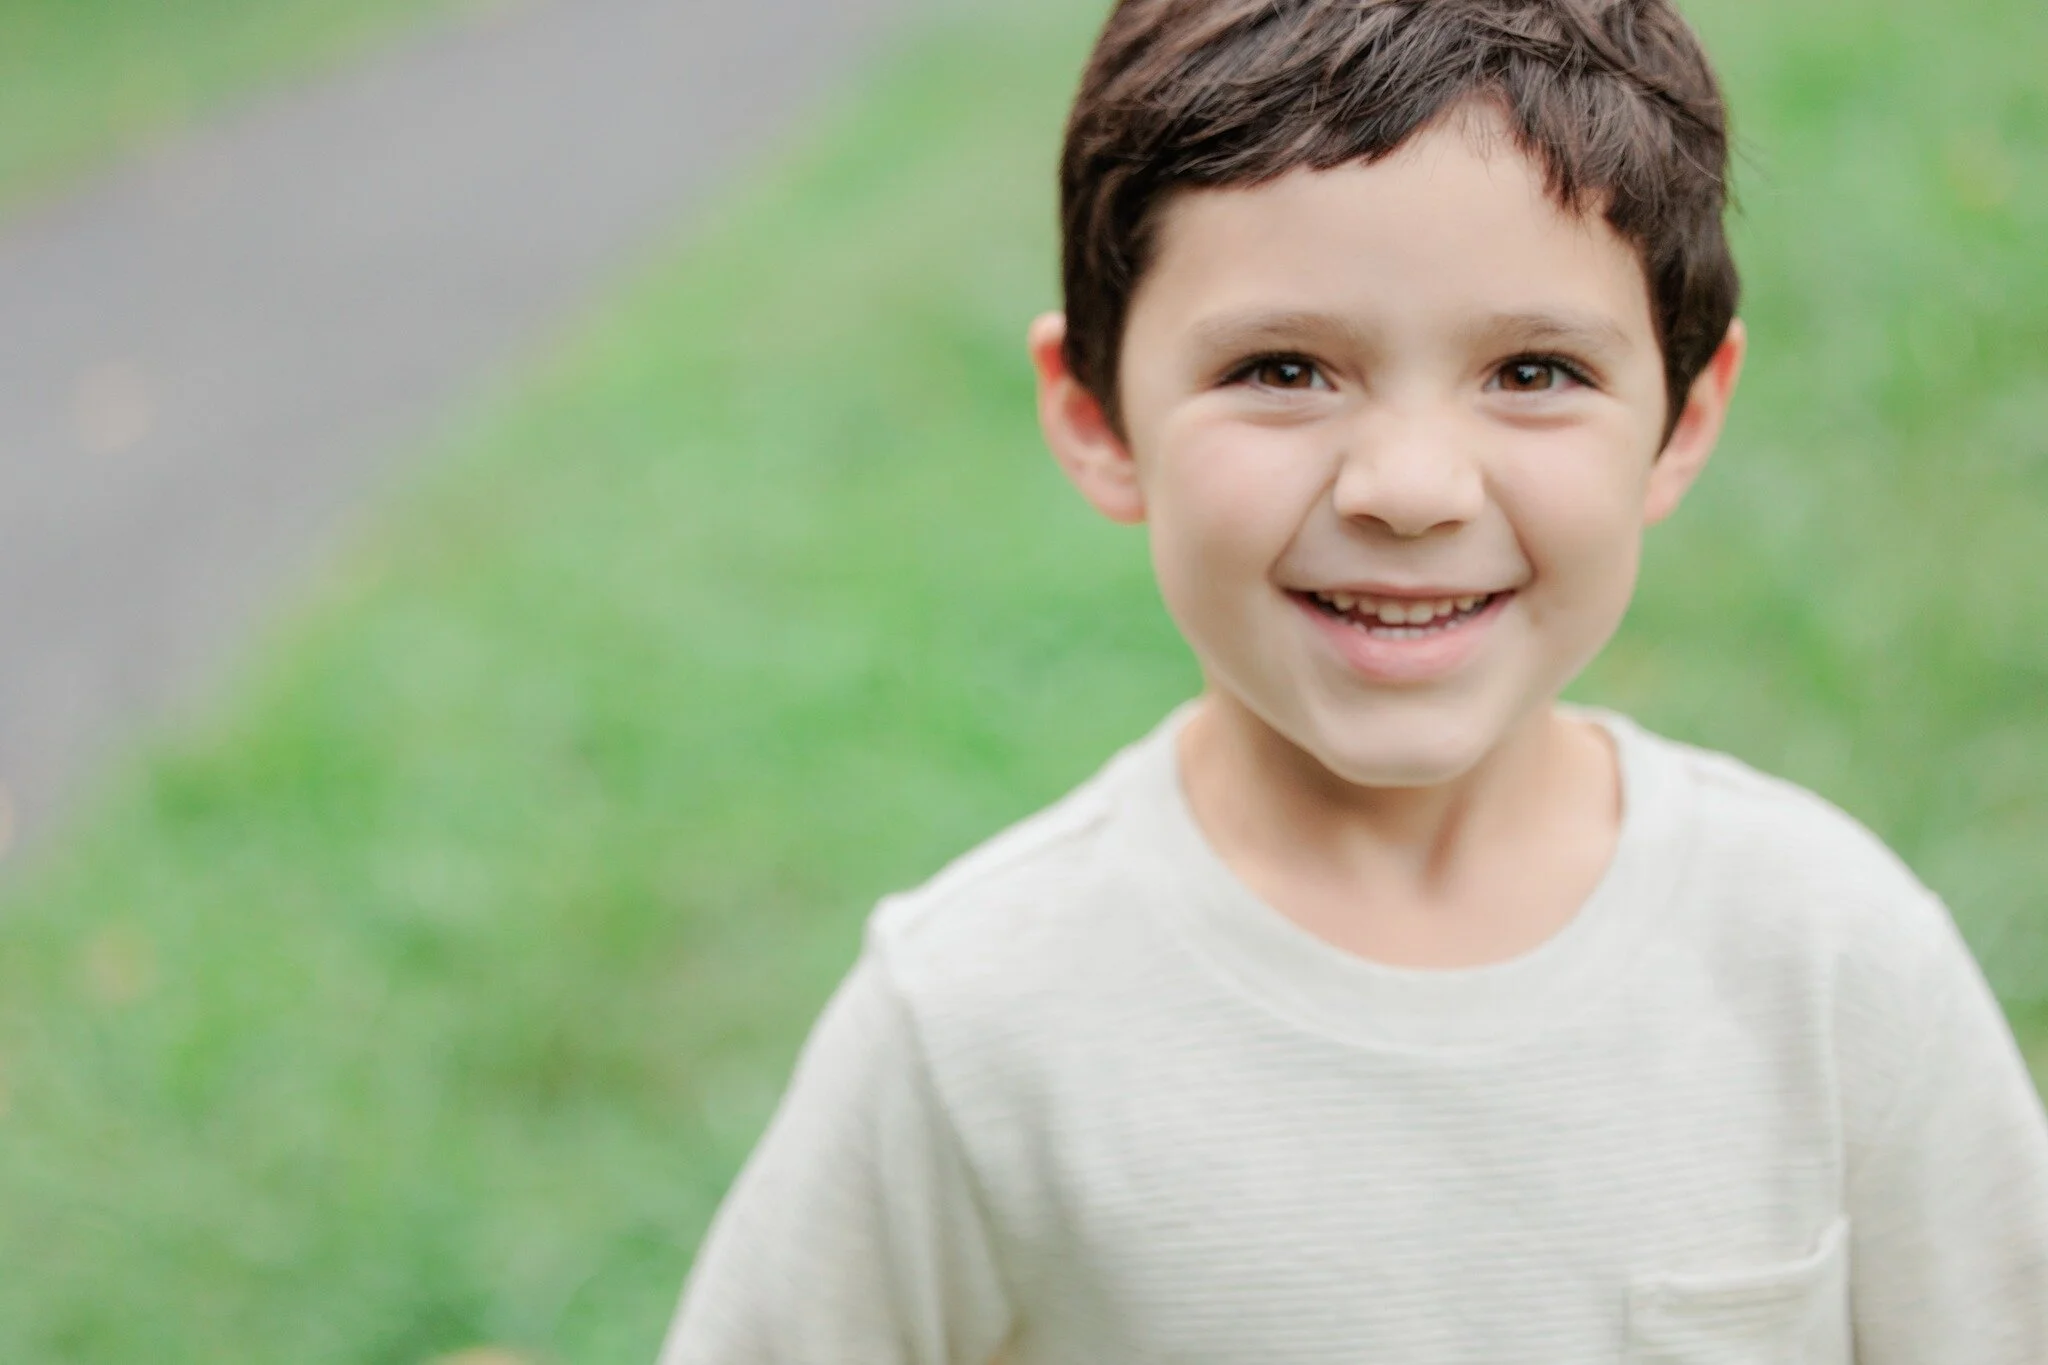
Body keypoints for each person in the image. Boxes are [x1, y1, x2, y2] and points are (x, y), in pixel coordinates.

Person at [656, 1, 2048, 1359]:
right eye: (1283, 368)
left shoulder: (1831, 962)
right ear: (1096, 415)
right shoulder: (972, 1025)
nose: (1409, 488)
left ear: (1683, 419)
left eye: (1533, 369)